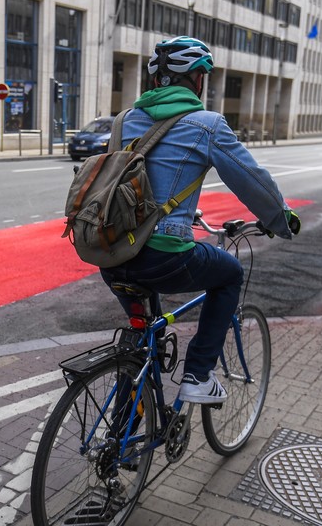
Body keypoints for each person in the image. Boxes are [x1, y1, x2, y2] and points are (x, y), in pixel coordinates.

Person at [99, 36, 301, 405]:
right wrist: (281, 219)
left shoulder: (124, 120)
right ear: (197, 79)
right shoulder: (207, 124)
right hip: (163, 257)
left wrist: (182, 213)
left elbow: (127, 186)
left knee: (145, 338)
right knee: (229, 274)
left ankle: (124, 438)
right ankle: (197, 376)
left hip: (112, 255)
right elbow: (251, 180)